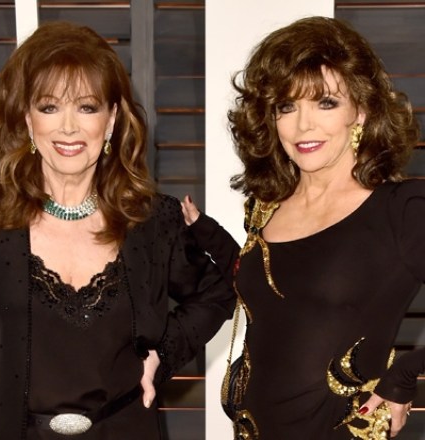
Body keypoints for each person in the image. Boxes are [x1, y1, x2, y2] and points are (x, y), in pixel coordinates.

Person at [0, 21, 235, 439]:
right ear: (27, 118)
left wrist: (164, 353)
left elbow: (223, 287)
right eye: (49, 107)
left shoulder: (152, 221)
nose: (68, 127)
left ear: (112, 119)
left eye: (86, 107)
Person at [182, 16, 425, 440]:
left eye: (325, 103)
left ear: (361, 110)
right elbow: (277, 298)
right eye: (286, 106)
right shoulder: (266, 206)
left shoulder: (402, 208)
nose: (303, 125)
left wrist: (404, 373)